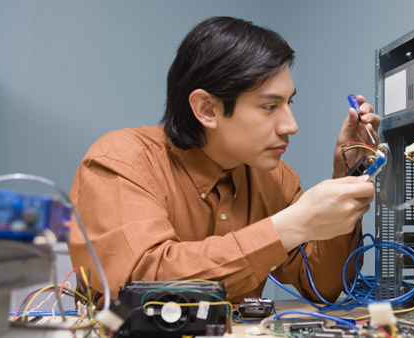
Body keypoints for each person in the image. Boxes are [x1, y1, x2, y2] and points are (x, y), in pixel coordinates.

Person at [67, 16, 379, 306]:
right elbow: (144, 284)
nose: (290, 126)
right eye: (270, 106)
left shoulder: (274, 178)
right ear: (206, 109)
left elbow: (322, 285)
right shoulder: (122, 161)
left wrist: (346, 177)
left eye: (288, 102)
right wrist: (286, 227)